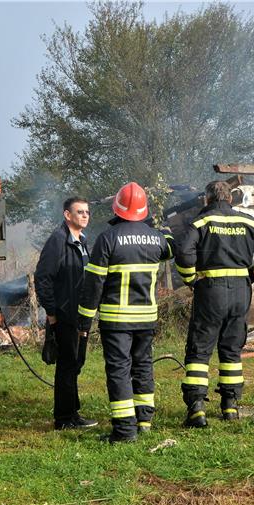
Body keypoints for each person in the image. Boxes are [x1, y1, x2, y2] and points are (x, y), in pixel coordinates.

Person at [175, 180, 254, 427]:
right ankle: (230, 407)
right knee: (231, 349)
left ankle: (197, 410)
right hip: (241, 293)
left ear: (207, 199)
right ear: (230, 199)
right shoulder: (248, 221)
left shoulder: (201, 222)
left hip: (211, 291)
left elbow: (183, 253)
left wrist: (191, 279)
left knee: (200, 349)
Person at [77, 182, 174, 444]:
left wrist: (84, 319)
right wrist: (158, 227)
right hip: (146, 318)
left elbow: (94, 284)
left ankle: (124, 430)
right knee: (143, 366)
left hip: (117, 320)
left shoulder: (108, 239)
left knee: (120, 370)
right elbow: (171, 248)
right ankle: (144, 421)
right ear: (144, 211)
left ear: (116, 208)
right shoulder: (156, 238)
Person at [34, 196, 98, 430]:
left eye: (87, 212)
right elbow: (42, 277)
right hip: (65, 313)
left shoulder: (82, 240)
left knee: (76, 361)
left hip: (81, 313)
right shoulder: (58, 241)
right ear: (67, 215)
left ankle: (72, 412)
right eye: (79, 212)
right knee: (67, 364)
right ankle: (64, 419)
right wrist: (52, 312)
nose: (84, 216)